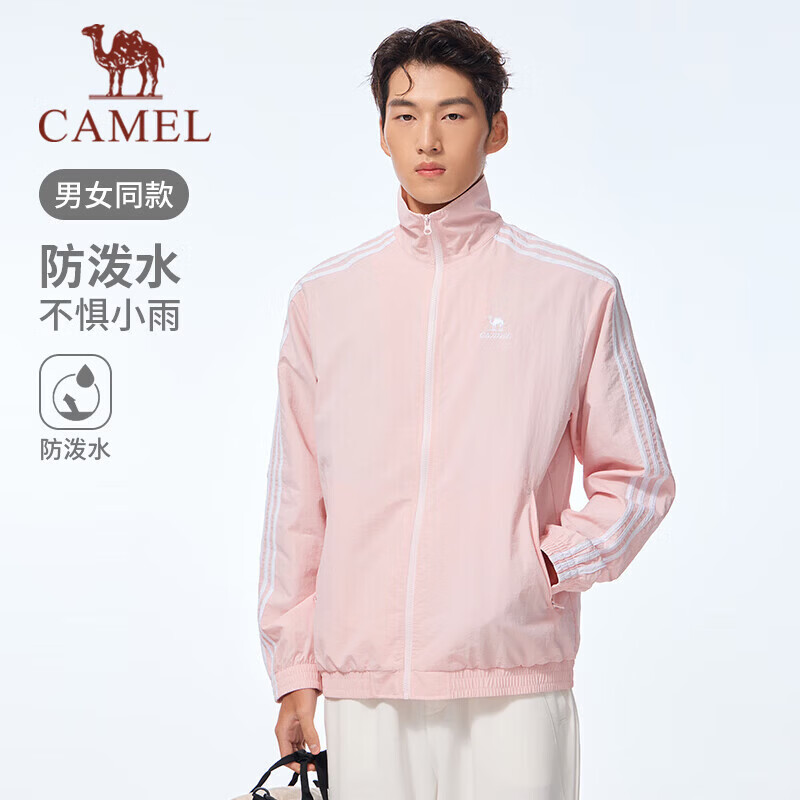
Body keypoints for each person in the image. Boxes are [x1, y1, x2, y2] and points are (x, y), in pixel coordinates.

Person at [257, 19, 676, 800]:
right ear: (382, 131)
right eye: (406, 114)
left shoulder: (575, 291)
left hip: (513, 675)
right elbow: (297, 505)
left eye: (453, 114)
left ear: (496, 129)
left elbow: (639, 479)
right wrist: (294, 669)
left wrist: (541, 569)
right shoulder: (325, 299)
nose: (429, 138)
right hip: (366, 683)